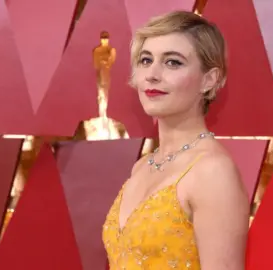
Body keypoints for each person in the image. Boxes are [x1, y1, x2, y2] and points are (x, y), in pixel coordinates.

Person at [102, 10, 250, 270]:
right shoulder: (143, 166)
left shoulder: (213, 172)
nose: (152, 74)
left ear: (209, 79)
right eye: (145, 60)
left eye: (173, 62)